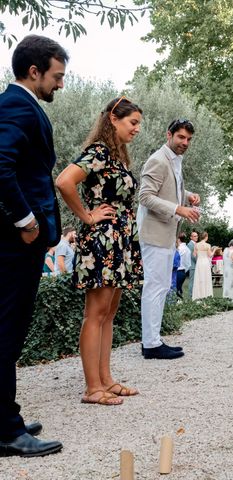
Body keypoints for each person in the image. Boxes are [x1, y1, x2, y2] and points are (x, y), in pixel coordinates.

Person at [0, 34, 66, 457]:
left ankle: (5, 415)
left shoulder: (22, 106)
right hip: (13, 244)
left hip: (18, 244)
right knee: (6, 331)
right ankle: (7, 429)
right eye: (57, 76)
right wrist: (25, 222)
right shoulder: (15, 106)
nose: (60, 85)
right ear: (34, 71)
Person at [56, 96, 144, 406]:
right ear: (113, 120)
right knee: (95, 314)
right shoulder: (98, 153)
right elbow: (64, 181)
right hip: (102, 240)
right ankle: (92, 388)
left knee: (108, 313)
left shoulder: (118, 157)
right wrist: (87, 215)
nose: (136, 129)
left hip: (118, 240)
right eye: (133, 122)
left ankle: (106, 379)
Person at [138, 119, 201, 360]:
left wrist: (188, 196)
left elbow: (169, 190)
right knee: (155, 287)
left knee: (162, 286)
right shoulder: (158, 159)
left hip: (165, 234)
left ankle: (153, 340)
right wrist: (179, 209)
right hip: (154, 233)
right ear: (169, 135)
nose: (185, 142)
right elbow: (145, 196)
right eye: (181, 137)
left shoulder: (174, 161)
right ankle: (151, 344)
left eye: (188, 139)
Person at [192, 231, 213, 300]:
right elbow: (210, 255)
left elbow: (194, 255)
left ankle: (199, 295)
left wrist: (199, 253)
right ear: (206, 237)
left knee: (199, 278)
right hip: (206, 263)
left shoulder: (196, 245)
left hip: (199, 262)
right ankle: (206, 295)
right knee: (206, 278)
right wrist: (215, 250)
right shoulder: (208, 245)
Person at [176, 232, 191, 299]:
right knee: (179, 289)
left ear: (178, 239)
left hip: (177, 271)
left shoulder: (179, 249)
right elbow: (188, 264)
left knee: (175, 290)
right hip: (183, 272)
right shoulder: (188, 249)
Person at [187, 230, 198, 298]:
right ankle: (190, 295)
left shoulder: (195, 244)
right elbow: (193, 256)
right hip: (193, 265)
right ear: (191, 237)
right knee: (192, 281)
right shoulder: (190, 245)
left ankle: (194, 294)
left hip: (195, 265)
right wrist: (200, 262)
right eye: (194, 236)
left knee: (194, 281)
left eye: (197, 236)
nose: (196, 237)